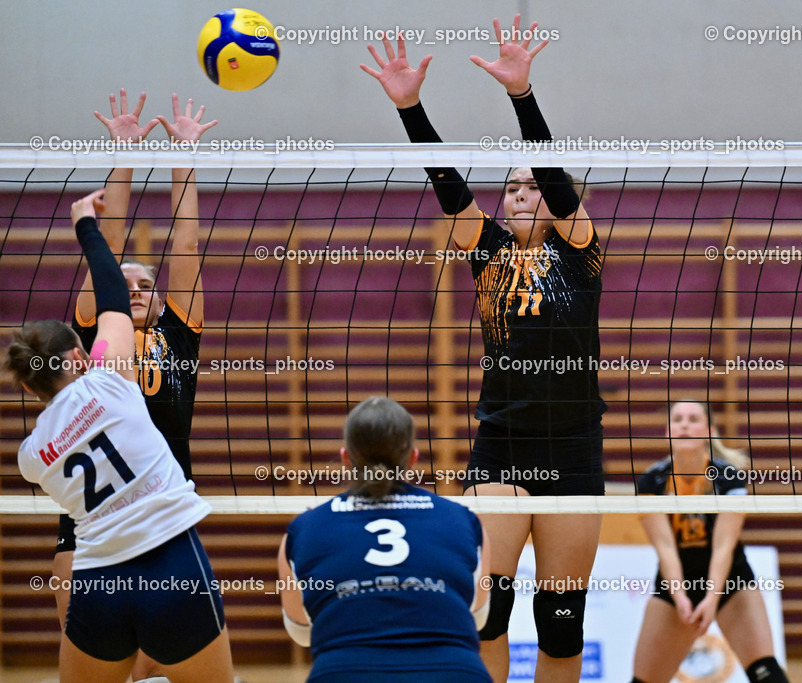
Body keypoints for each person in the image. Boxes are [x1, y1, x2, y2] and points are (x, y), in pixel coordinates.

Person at [362, 15, 604, 682]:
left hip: (574, 449)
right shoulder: (490, 252)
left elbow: (558, 184)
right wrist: (411, 108)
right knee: (486, 614)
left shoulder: (581, 255)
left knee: (561, 627)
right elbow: (448, 188)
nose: (521, 194)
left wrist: (521, 96)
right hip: (502, 446)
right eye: (512, 187)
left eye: (532, 187)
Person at [4, 189, 233, 683]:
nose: (133, 291)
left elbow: (180, 253)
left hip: (99, 559)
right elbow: (107, 283)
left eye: (146, 284)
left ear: (26, 384)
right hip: (164, 542)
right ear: (82, 353)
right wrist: (87, 220)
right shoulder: (113, 377)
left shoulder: (30, 457)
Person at [52, 91, 216, 676]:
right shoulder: (98, 335)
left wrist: (184, 156)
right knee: (94, 664)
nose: (139, 288)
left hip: (163, 513)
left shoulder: (181, 334)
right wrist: (124, 153)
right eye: (128, 284)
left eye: (147, 282)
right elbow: (108, 244)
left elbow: (187, 245)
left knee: (155, 667)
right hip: (90, 521)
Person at [278, 396, 491, 682]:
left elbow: (301, 633)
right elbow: (477, 618)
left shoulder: (304, 528)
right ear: (413, 457)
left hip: (344, 673)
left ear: (345, 457)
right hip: (454, 673)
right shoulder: (464, 520)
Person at [630, 401, 789, 683]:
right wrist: (680, 597)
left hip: (731, 583)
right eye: (678, 419)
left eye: (693, 419)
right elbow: (665, 548)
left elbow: (723, 546)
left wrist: (712, 598)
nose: (685, 425)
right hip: (675, 585)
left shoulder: (728, 477)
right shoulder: (651, 482)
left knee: (767, 674)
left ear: (709, 431)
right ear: (667, 432)